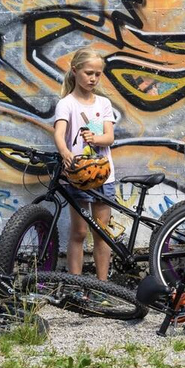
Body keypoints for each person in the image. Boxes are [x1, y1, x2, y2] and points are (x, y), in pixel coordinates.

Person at [53, 48, 116, 280]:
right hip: (78, 176)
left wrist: (95, 138)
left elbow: (109, 137)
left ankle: (103, 284)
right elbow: (59, 133)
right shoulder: (67, 104)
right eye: (89, 73)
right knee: (79, 232)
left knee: (101, 232)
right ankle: (76, 284)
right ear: (75, 71)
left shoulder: (103, 103)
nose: (93, 78)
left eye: (98, 74)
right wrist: (65, 152)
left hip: (103, 176)